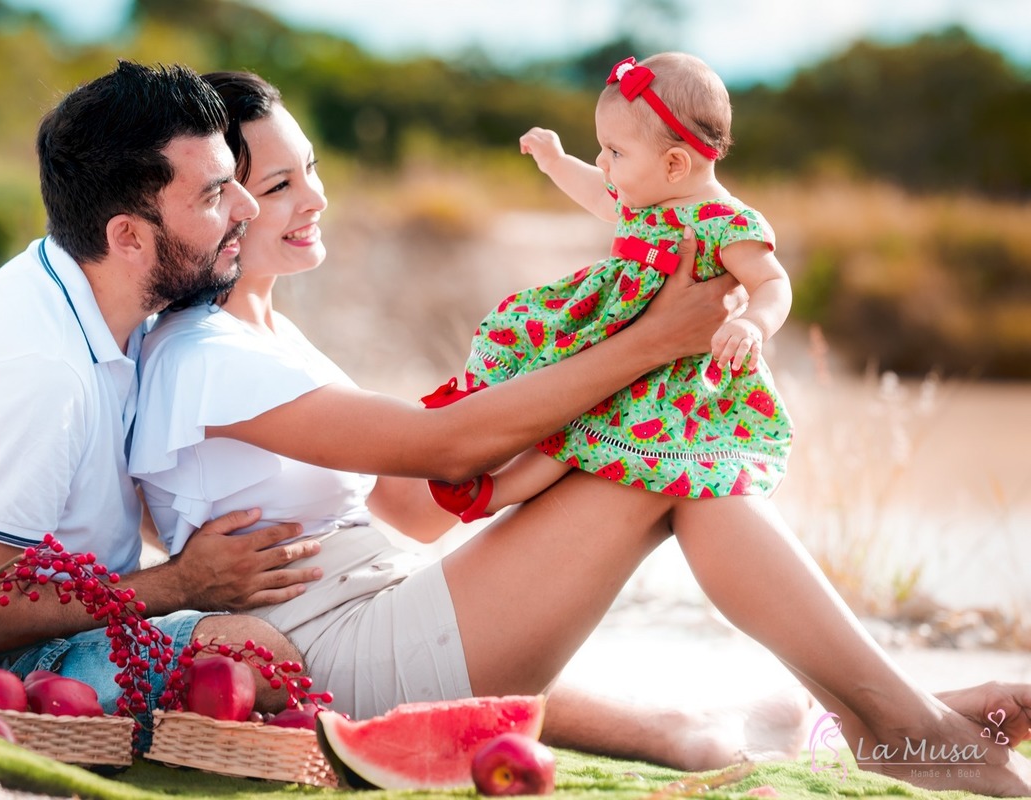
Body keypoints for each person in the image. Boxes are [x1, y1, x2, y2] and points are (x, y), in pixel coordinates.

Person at [130, 71, 1031, 794]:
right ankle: (909, 728)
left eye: (312, 168)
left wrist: (537, 450)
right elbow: (440, 454)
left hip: (386, 602)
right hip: (350, 654)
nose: (311, 197)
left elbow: (409, 500)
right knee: (667, 465)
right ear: (217, 205)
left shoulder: (274, 336)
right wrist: (654, 344)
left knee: (671, 464)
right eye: (277, 185)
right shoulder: (206, 351)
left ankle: (898, 722)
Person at [0, 61, 325, 714]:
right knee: (255, 655)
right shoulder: (40, 372)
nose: (246, 208)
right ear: (126, 236)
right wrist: (183, 582)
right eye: (216, 196)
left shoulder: (106, 298)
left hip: (63, 623)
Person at [424, 52, 791, 521]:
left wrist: (754, 325)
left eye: (615, 153)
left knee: (580, 426)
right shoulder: (643, 196)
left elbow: (772, 282)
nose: (603, 162)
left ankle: (495, 494)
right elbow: (596, 190)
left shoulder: (726, 222)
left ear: (676, 164)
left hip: (665, 371)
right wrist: (556, 161)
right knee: (551, 392)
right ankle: (476, 433)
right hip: (603, 334)